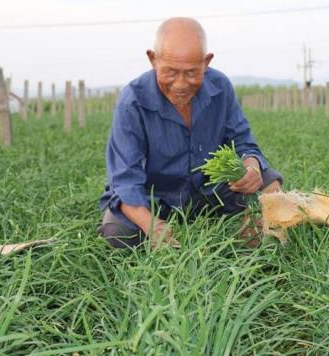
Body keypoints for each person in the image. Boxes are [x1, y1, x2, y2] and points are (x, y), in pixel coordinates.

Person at [98, 17, 283, 249]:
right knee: (119, 232)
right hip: (156, 197)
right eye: (171, 72)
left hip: (209, 191)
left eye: (192, 73)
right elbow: (125, 180)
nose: (181, 84)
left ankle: (251, 240)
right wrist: (151, 224)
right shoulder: (133, 101)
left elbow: (244, 143)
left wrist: (252, 167)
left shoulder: (220, 88)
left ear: (206, 62)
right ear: (152, 59)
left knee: (270, 183)